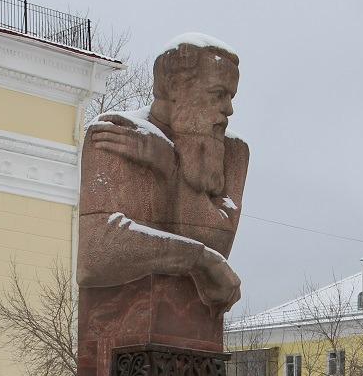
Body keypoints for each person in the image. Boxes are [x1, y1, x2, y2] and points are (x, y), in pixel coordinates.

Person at [76, 33, 249, 314]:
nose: (229, 109)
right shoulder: (115, 133)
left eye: (231, 96)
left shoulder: (233, 153)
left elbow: (218, 243)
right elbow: (97, 252)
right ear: (174, 87)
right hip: (122, 330)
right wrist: (199, 259)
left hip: (193, 330)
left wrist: (171, 169)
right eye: (219, 94)